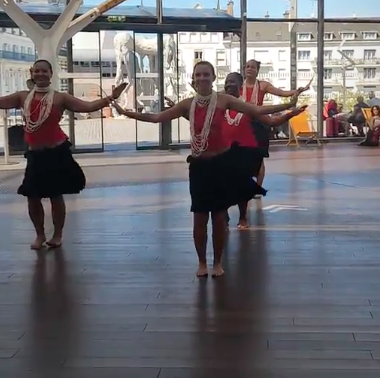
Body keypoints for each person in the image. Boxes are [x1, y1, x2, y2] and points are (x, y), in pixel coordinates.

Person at [112, 61, 299, 277]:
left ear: (212, 78)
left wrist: (287, 105)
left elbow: (256, 110)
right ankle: (202, 262)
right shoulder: (187, 104)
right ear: (193, 78)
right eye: (198, 75)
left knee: (219, 217)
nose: (202, 78)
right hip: (199, 166)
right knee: (199, 217)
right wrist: (126, 112)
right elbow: (156, 117)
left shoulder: (223, 100)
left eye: (206, 74)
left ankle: (217, 262)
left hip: (220, 164)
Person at [0, 59, 127, 250]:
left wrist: (111, 97)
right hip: (35, 154)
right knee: (32, 195)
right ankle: (40, 234)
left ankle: (57, 234)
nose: (40, 74)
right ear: (31, 73)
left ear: (51, 74)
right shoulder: (22, 97)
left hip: (56, 152)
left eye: (44, 71)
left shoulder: (60, 98)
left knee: (55, 195)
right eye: (37, 71)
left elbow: (88, 107)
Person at [223, 72, 307, 229]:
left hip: (242, 153)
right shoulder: (219, 105)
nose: (228, 85)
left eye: (232, 82)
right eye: (226, 82)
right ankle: (224, 213)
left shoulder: (247, 107)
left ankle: (242, 217)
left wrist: (290, 113)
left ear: (240, 86)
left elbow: (271, 120)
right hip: (223, 153)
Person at [241, 59, 308, 191]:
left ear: (257, 71)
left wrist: (296, 92)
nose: (249, 69)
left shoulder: (263, 85)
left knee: (259, 158)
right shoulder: (239, 85)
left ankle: (258, 188)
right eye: (247, 66)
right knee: (243, 157)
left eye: (252, 67)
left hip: (259, 122)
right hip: (243, 124)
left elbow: (281, 93)